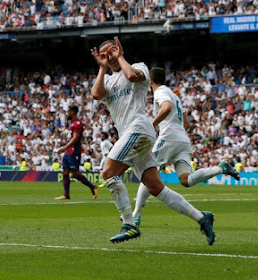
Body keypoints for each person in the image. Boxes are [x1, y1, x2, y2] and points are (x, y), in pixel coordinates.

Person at [91, 37, 215, 245]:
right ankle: (202, 218)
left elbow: (130, 75)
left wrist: (119, 57)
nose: (109, 56)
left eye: (112, 51)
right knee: (156, 188)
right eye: (105, 54)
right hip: (131, 136)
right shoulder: (108, 81)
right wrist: (102, 68)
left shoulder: (139, 67)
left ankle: (129, 224)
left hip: (138, 128)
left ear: (120, 50)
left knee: (108, 173)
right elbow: (96, 94)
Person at [132, 67, 240, 226]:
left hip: (169, 137)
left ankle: (136, 215)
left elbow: (166, 107)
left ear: (151, 80)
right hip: (182, 139)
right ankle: (220, 168)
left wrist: (152, 124)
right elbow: (187, 123)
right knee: (186, 180)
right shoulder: (174, 94)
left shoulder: (160, 92)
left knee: (149, 172)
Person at [54, 105, 98, 200]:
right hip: (68, 151)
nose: (67, 113)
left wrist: (64, 147)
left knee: (74, 174)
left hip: (74, 151)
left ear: (73, 112)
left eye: (68, 111)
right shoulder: (72, 123)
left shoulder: (78, 123)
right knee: (65, 171)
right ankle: (66, 194)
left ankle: (92, 186)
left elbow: (75, 138)